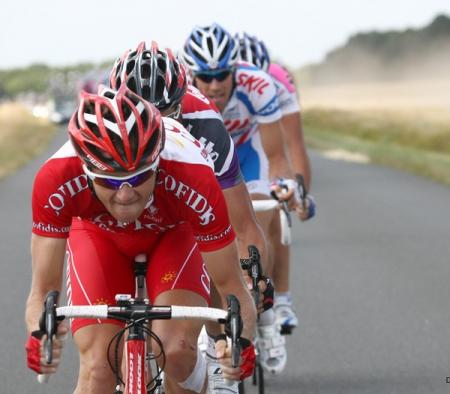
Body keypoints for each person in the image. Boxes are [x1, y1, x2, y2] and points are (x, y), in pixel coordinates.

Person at [24, 86, 256, 394]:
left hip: (173, 234)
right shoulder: (56, 177)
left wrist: (239, 343)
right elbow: (41, 292)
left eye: (138, 177)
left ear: (157, 162)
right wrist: (42, 337)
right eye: (109, 180)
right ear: (86, 169)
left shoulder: (193, 174)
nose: (125, 194)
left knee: (176, 350)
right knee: (97, 368)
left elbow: (233, 291)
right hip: (99, 236)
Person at [109, 41, 273, 392]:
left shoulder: (206, 126)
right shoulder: (100, 125)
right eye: (138, 113)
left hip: (181, 218)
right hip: (122, 225)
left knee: (217, 248)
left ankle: (214, 351)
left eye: (165, 114)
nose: (152, 127)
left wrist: (253, 277)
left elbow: (242, 225)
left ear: (182, 101)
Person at [181, 23, 298, 375]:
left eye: (222, 74)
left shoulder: (258, 86)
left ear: (234, 70)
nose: (215, 84)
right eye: (206, 76)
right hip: (204, 160)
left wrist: (284, 187)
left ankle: (264, 309)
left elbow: (277, 155)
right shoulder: (182, 94)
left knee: (263, 210)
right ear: (191, 74)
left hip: (245, 156)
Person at [235, 32, 317, 336]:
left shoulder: (278, 81)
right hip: (226, 144)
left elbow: (294, 144)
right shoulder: (212, 84)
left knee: (271, 213)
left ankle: (280, 299)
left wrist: (300, 194)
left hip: (260, 142)